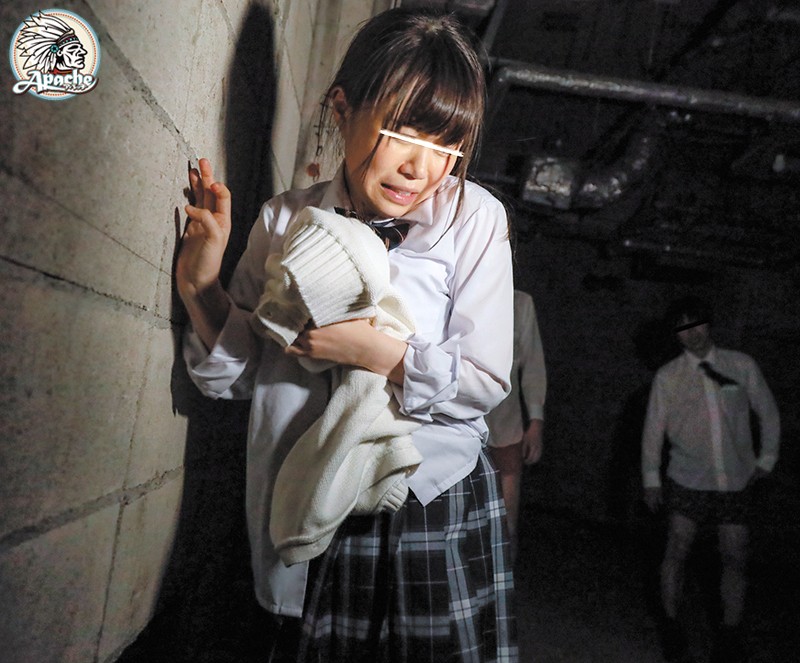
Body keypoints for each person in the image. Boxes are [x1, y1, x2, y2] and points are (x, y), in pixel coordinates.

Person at [176, 8, 517, 662]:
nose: (421, 167)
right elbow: (234, 378)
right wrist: (200, 286)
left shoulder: (473, 218)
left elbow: (482, 382)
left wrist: (369, 350)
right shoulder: (284, 220)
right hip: (306, 496)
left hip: (424, 497)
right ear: (342, 108)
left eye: (446, 145)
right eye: (402, 132)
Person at [641, 296, 780, 663]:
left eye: (697, 323)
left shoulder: (741, 365)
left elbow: (768, 412)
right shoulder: (668, 376)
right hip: (687, 479)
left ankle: (730, 636)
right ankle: (672, 628)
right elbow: (653, 431)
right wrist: (651, 479)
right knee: (676, 550)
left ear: (709, 324)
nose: (693, 333)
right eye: (683, 328)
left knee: (735, 556)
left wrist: (767, 458)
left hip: (734, 481)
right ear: (676, 334)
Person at [485, 289, 546, 561]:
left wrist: (536, 422)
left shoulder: (520, 303)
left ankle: (504, 582)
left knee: (507, 524)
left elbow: (532, 365)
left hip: (505, 427)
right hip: (461, 430)